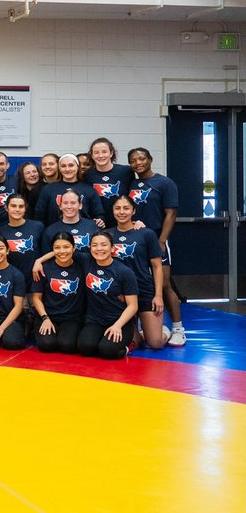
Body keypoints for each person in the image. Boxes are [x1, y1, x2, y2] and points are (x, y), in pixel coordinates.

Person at [127, 147, 184, 345]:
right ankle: (151, 325)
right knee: (140, 283)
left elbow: (171, 214)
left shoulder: (164, 182)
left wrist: (161, 240)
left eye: (142, 158)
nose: (138, 163)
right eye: (133, 160)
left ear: (150, 159)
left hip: (156, 239)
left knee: (165, 284)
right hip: (136, 240)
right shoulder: (132, 183)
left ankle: (178, 328)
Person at [109, 195, 166, 350]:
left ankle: (163, 331)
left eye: (126, 208)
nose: (122, 212)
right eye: (117, 208)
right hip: (122, 296)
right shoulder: (107, 235)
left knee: (155, 343)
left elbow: (157, 266)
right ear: (113, 211)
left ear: (133, 211)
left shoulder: (146, 234)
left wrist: (158, 295)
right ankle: (139, 332)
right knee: (134, 341)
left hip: (144, 290)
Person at [77, 232, 139, 360]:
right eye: (94, 245)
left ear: (112, 248)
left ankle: (130, 344)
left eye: (104, 245)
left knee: (107, 351)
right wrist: (39, 261)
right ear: (90, 248)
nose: (99, 248)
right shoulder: (86, 261)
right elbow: (62, 252)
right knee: (85, 347)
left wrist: (118, 325)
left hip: (119, 321)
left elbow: (133, 306)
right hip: (95, 320)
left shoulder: (124, 272)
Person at [30, 233, 86, 354]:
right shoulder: (43, 269)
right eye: (57, 247)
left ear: (74, 248)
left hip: (72, 318)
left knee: (67, 346)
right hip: (48, 315)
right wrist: (45, 318)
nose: (62, 251)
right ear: (52, 250)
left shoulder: (82, 266)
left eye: (66, 247)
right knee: (47, 345)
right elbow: (36, 298)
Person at [36, 153, 103, 226]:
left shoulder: (89, 190)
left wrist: (100, 221)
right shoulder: (48, 189)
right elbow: (39, 216)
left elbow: (99, 214)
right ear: (59, 168)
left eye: (71, 165)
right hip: (56, 234)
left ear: (78, 167)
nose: (67, 169)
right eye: (63, 166)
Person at [84, 138, 136, 224]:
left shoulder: (126, 171)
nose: (100, 156)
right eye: (96, 153)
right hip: (98, 224)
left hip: (122, 223)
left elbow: (132, 198)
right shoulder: (87, 175)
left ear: (111, 153)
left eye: (104, 152)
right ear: (92, 156)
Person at [0, 194, 44, 287]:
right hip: (13, 286)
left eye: (21, 206)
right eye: (13, 206)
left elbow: (51, 251)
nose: (17, 209)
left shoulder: (37, 227)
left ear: (25, 208)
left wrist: (39, 261)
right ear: (6, 208)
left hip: (36, 284)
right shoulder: (0, 231)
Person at [43, 190, 100, 255]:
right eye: (65, 203)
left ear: (80, 205)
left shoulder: (92, 226)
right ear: (60, 206)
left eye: (73, 203)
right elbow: (47, 258)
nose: (69, 206)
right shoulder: (50, 231)